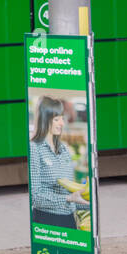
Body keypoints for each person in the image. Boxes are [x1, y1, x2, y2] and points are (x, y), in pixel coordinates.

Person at [28, 96, 84, 228]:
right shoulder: (34, 148)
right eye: (57, 119)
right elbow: (35, 197)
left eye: (62, 119)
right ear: (44, 120)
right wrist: (67, 199)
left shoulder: (64, 149)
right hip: (47, 220)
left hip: (69, 220)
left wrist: (88, 200)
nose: (62, 124)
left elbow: (71, 194)